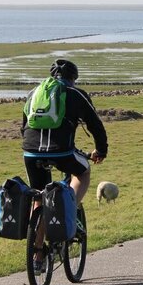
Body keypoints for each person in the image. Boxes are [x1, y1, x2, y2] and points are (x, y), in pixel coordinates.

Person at [22, 58, 108, 272]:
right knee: (83, 173)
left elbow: (24, 127)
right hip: (62, 152)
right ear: (73, 78)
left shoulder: (34, 93)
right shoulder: (75, 94)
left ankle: (38, 256)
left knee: (40, 195)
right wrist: (101, 151)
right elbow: (95, 125)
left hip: (31, 152)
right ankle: (66, 210)